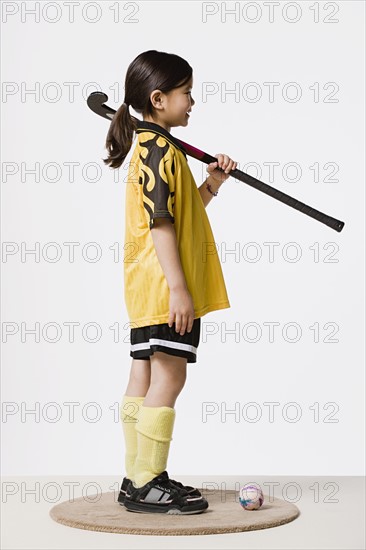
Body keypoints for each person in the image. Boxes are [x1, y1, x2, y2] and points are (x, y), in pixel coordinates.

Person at [103, 50, 237, 515]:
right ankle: (147, 479)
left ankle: (134, 478)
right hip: (166, 286)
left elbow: (180, 214)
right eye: (186, 93)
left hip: (144, 285)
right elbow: (162, 225)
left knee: (143, 372)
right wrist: (180, 289)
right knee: (170, 374)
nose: (193, 101)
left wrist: (212, 184)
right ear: (158, 99)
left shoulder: (154, 148)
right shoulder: (161, 150)